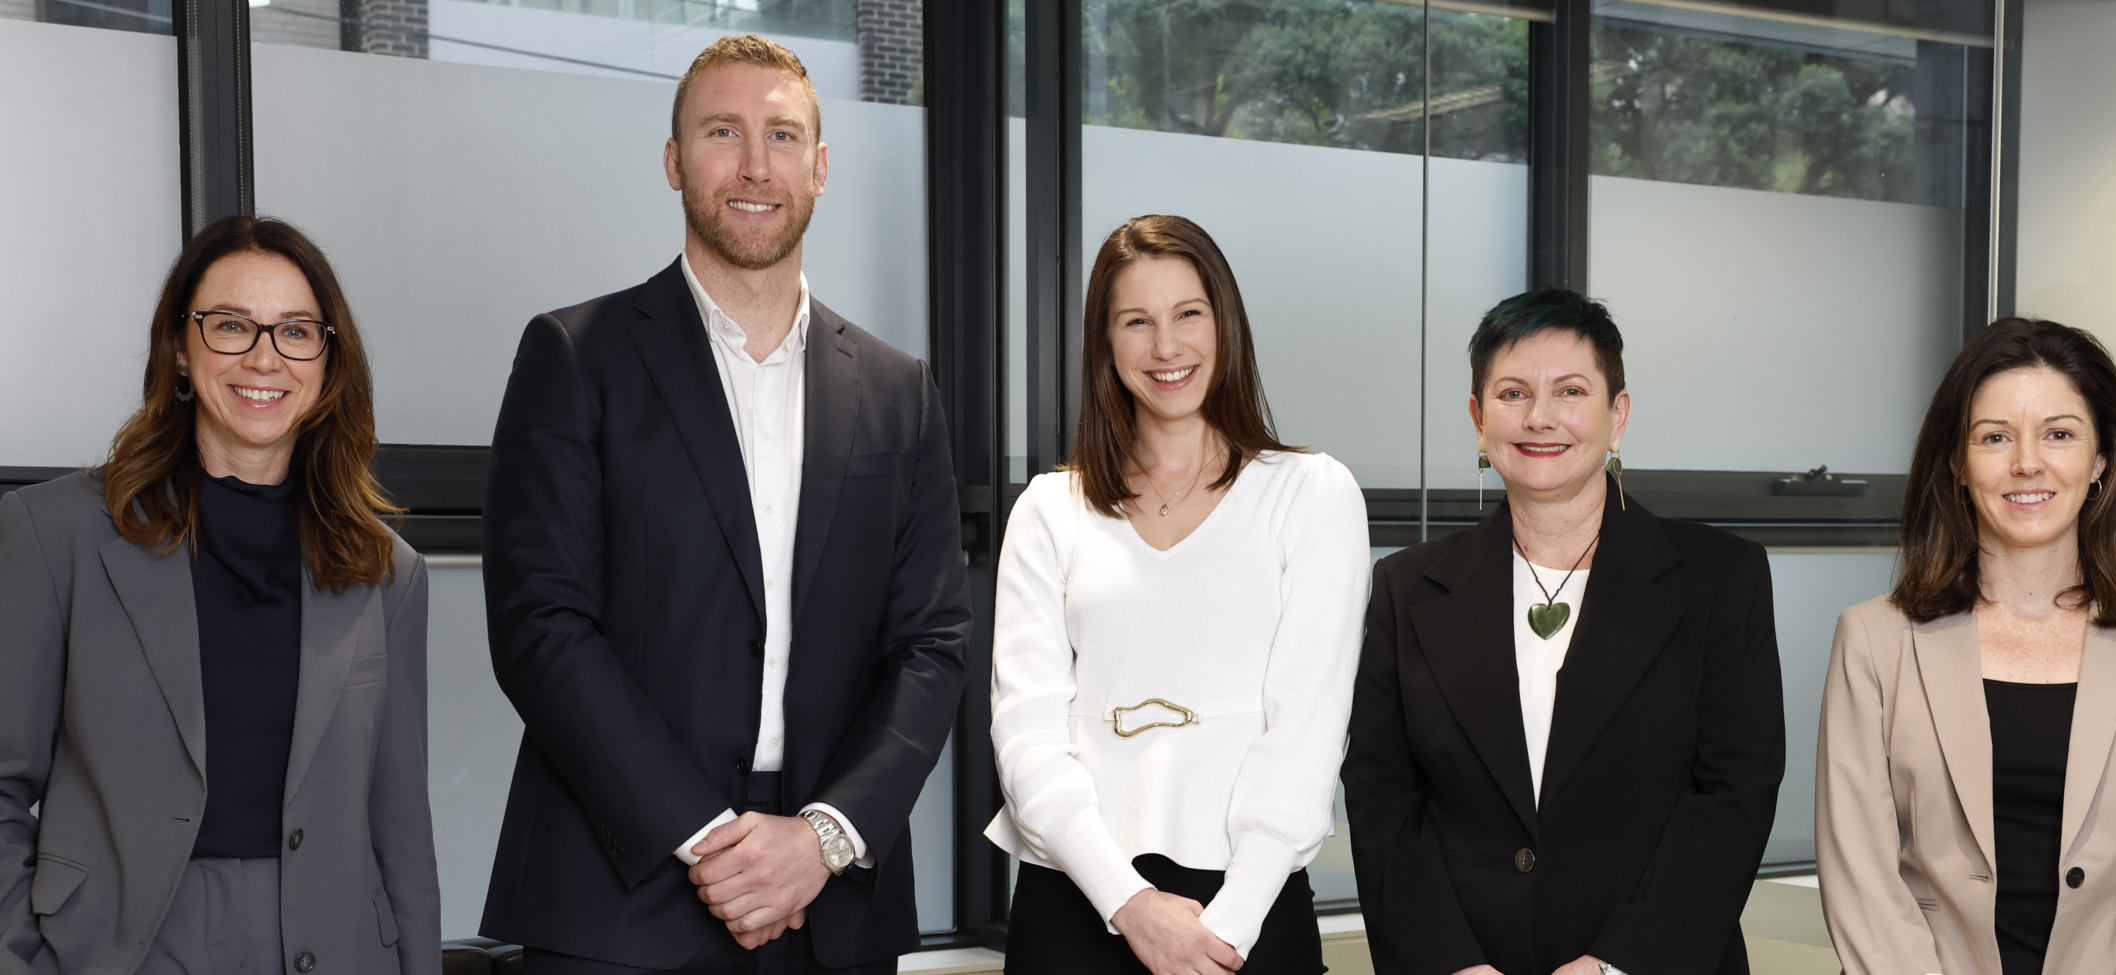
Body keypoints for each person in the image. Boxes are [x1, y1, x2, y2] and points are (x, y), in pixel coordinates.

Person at [477, 33, 970, 975]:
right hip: (618, 894)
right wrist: (705, 835)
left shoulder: (900, 391)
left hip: (829, 905)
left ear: (821, 168)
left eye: (783, 136)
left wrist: (821, 837)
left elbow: (933, 642)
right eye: (721, 131)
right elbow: (541, 625)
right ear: (674, 160)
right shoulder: (577, 357)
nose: (754, 165)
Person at [0, 216, 438, 975]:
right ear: (179, 345)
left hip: (333, 948)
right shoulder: (53, 535)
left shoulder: (387, 573)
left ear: (328, 361)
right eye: (232, 325)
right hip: (118, 948)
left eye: (297, 331)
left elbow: (399, 828)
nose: (264, 357)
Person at [1343, 289, 1784, 975]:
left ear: (1619, 415)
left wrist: (1613, 965)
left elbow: (1734, 795)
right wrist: (1450, 964)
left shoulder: (1720, 578)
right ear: (1477, 418)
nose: (1540, 417)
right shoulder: (1407, 589)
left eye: (1570, 390)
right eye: (1513, 392)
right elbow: (1382, 801)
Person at [985, 215, 1369, 975]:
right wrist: (1128, 904)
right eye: (1137, 321)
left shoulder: (1311, 494)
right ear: (1105, 342)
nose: (1167, 346)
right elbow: (1026, 736)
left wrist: (1225, 927)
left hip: (1250, 911)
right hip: (1075, 900)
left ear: (1224, 324)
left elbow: (1310, 730)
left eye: (1189, 313)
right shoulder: (1048, 510)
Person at [1816, 319, 2116, 975]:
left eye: (2059, 433)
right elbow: (1861, 881)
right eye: (1995, 437)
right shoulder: (1874, 641)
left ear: (2101, 459)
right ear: (1956, 461)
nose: (2026, 462)